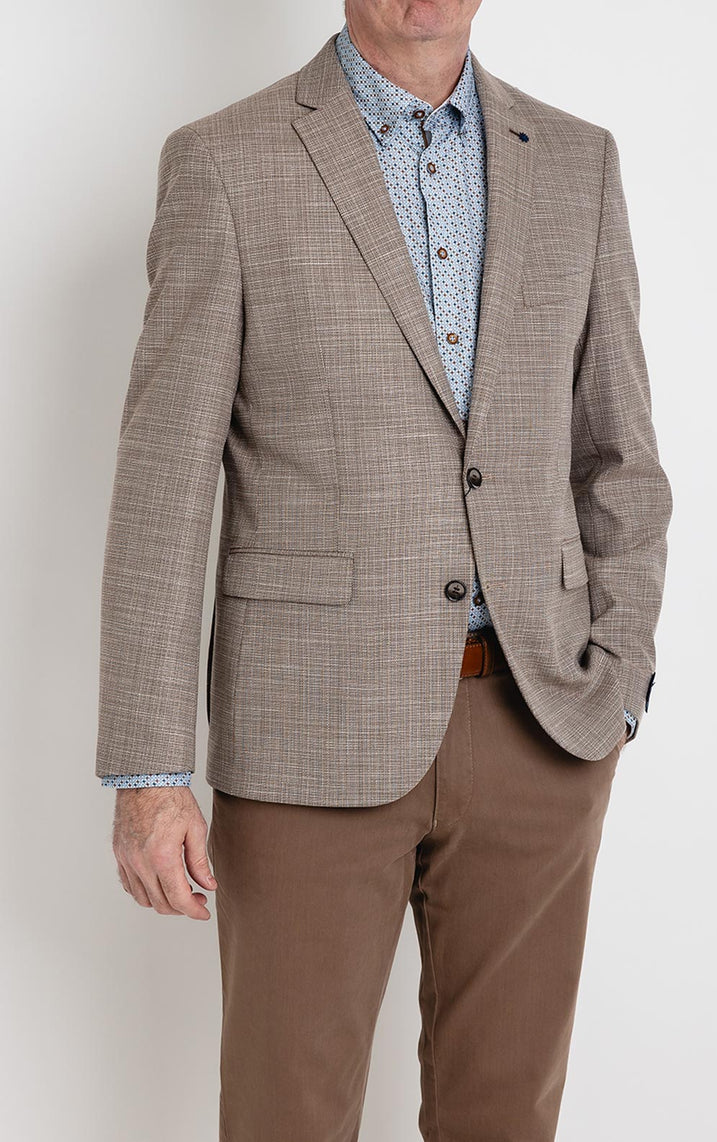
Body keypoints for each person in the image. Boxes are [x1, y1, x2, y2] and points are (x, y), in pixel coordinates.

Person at [96, 1, 673, 1137]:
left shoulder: (577, 163)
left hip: (540, 728)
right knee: (288, 1115)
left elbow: (619, 456)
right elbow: (165, 484)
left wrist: (617, 679)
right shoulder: (225, 163)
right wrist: (150, 773)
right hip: (309, 733)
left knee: (504, 1115)